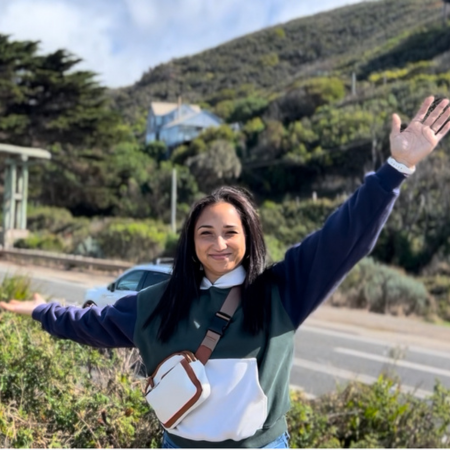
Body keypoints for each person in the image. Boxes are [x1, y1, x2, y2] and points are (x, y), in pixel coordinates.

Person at [1, 96, 450, 449]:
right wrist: (41, 311)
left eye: (230, 232)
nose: (219, 244)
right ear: (191, 243)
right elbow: (89, 324)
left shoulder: (281, 292)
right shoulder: (158, 301)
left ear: (249, 237)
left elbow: (343, 238)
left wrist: (395, 169)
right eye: (206, 233)